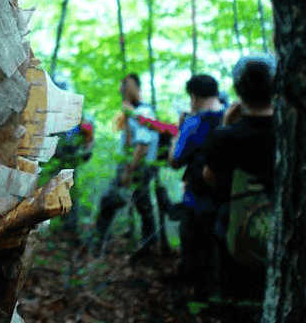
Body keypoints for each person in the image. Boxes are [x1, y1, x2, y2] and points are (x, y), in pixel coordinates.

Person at [203, 53, 276, 299]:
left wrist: (225, 125)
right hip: (286, 234)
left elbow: (210, 178)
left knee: (237, 299)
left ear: (238, 89)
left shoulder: (226, 137)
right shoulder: (292, 133)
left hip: (236, 235)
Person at [168, 74, 225, 300]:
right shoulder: (232, 115)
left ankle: (197, 301)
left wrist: (176, 132)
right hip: (232, 200)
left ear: (193, 96)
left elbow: (175, 161)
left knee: (196, 255)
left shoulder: (193, 123)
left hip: (198, 200)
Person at [91, 74, 159, 259]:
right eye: (122, 86)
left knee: (132, 203)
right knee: (139, 204)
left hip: (139, 167)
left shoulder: (144, 111)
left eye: (127, 85)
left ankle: (147, 246)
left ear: (138, 88)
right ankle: (147, 245)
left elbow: (142, 144)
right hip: (131, 165)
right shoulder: (131, 112)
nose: (123, 89)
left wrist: (129, 171)